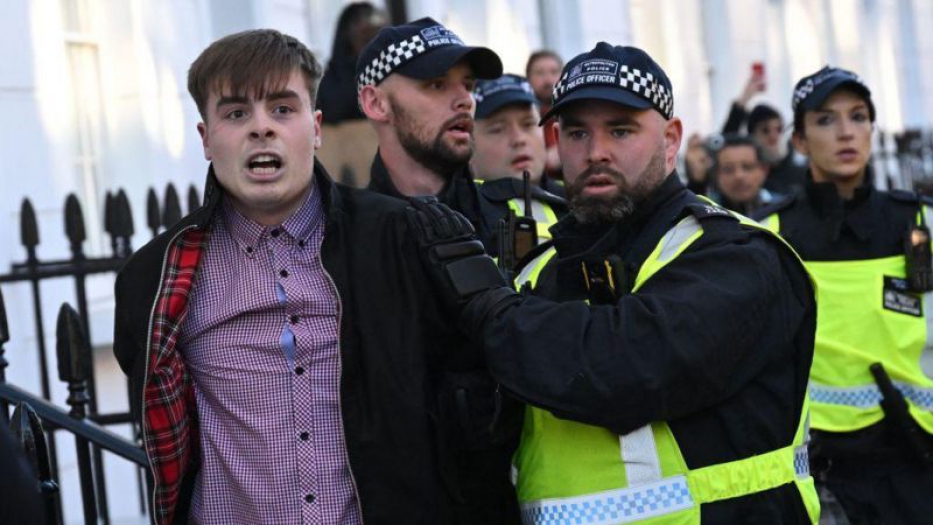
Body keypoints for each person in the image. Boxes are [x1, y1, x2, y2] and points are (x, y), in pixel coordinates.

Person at [112, 29, 517, 525]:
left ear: (317, 126)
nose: (262, 129)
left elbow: (476, 408)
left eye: (283, 109)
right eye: (236, 113)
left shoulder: (403, 239)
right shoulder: (154, 282)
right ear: (205, 137)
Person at [407, 42, 820, 523]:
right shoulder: (541, 269)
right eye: (578, 132)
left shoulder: (738, 256)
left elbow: (622, 366)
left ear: (670, 139)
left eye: (620, 130)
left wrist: (485, 303)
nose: (595, 152)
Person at [756, 66, 933, 524]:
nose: (846, 132)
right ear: (798, 141)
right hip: (820, 468)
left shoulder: (919, 223)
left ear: (873, 129)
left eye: (858, 116)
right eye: (826, 120)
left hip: (916, 460)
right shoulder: (771, 234)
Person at [357, 17, 503, 250]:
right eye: (437, 85)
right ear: (376, 103)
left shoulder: (517, 216)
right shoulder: (350, 240)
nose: (466, 100)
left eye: (468, 86)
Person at [470, 74, 567, 245]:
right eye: (497, 129)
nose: (518, 139)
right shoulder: (459, 217)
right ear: (469, 144)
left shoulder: (578, 200)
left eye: (528, 124)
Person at [315, 2, 387, 187]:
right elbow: (331, 111)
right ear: (347, 32)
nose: (368, 28)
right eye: (360, 23)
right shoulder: (332, 77)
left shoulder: (389, 72)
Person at [720, 70, 807, 196]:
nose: (773, 136)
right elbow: (726, 144)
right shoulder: (746, 178)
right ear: (752, 136)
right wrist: (745, 98)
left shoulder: (801, 171)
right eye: (765, 130)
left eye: (779, 129)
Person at [710, 134, 777, 215]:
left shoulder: (785, 209)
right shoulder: (706, 211)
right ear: (716, 174)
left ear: (764, 170)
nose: (739, 176)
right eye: (728, 169)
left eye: (747, 167)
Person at [526, 50, 564, 181]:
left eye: (554, 72)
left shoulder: (578, 112)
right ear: (528, 79)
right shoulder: (521, 120)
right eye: (540, 73)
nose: (548, 80)